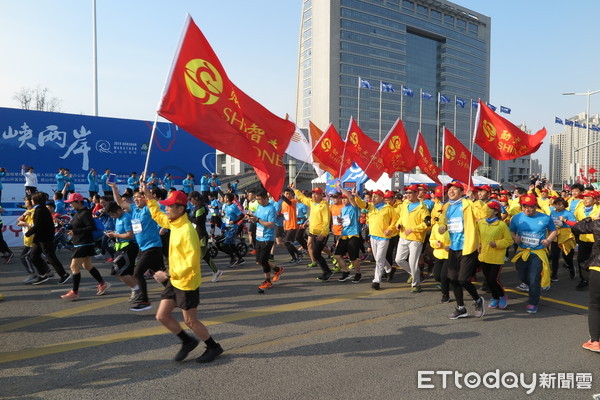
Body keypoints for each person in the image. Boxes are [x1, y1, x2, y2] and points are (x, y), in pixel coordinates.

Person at [141, 181, 223, 364]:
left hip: (186, 281)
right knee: (162, 316)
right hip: (175, 279)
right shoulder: (175, 223)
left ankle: (213, 347)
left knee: (190, 321)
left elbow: (191, 263)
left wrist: (167, 274)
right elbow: (157, 216)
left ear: (180, 209)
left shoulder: (187, 230)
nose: (167, 210)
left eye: (169, 207)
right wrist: (148, 196)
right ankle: (187, 341)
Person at [110, 181, 165, 311]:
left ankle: (145, 301)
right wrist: (114, 188)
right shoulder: (134, 210)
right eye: (134, 198)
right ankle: (176, 293)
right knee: (158, 274)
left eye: (138, 197)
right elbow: (120, 203)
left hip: (153, 246)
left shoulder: (149, 208)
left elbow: (153, 202)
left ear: (145, 198)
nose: (136, 200)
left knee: (138, 272)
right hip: (144, 247)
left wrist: (145, 190)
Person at [438, 181, 485, 319]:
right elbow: (442, 221)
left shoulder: (469, 204)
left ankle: (477, 300)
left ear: (462, 192)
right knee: (452, 278)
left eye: (454, 189)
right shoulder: (446, 206)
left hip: (467, 247)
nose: (451, 192)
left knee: (463, 279)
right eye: (449, 190)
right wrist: (442, 227)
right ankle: (461, 308)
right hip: (453, 247)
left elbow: (483, 214)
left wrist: (474, 200)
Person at [509, 194, 557, 314]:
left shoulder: (545, 218)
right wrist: (515, 238)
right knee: (522, 276)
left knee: (533, 278)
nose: (527, 209)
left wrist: (548, 240)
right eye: (524, 206)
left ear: (536, 206)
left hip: (537, 252)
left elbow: (554, 230)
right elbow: (511, 230)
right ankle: (531, 285)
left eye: (530, 207)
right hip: (522, 251)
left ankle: (533, 302)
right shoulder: (516, 217)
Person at [60, 193, 110, 300]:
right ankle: (102, 283)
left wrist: (75, 231)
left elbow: (90, 227)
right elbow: (78, 225)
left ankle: (75, 292)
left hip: (84, 243)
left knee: (74, 267)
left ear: (78, 202)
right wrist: (66, 225)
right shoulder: (79, 212)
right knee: (87, 266)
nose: (70, 205)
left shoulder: (85, 213)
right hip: (82, 242)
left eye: (71, 203)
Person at [353, 189, 398, 290]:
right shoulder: (370, 206)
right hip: (373, 235)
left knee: (379, 259)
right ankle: (390, 269)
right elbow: (361, 204)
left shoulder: (388, 208)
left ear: (382, 198)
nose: (373, 198)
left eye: (376, 196)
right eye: (372, 196)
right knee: (378, 257)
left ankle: (376, 281)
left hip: (384, 237)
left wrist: (390, 229)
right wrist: (356, 196)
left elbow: (396, 220)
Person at [26, 192, 71, 285]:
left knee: (50, 257)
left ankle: (64, 274)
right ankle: (43, 274)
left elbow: (38, 225)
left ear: (36, 200)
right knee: (33, 256)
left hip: (45, 238)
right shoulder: (40, 209)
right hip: (40, 238)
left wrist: (28, 233)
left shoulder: (41, 210)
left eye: (32, 199)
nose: (31, 201)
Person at [571, 211, 600, 353]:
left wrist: (592, 218)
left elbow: (577, 227)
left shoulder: (597, 224)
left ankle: (595, 341)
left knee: (595, 305)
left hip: (598, 268)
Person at [394, 185, 430, 293]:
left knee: (412, 262)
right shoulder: (405, 204)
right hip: (403, 237)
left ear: (416, 193)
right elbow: (401, 217)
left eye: (410, 192)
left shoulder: (423, 208)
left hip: (416, 238)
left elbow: (427, 224)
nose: (408, 194)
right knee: (399, 260)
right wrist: (398, 224)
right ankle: (414, 274)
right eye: (407, 192)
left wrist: (413, 229)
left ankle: (416, 284)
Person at [292, 185, 333, 281]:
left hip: (321, 233)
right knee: (312, 248)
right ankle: (326, 271)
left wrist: (323, 234)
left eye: (316, 194)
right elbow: (302, 198)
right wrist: (294, 189)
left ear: (321, 195)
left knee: (317, 253)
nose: (314, 196)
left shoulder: (324, 205)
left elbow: (327, 221)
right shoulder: (311, 202)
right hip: (312, 231)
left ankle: (327, 271)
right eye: (313, 194)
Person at [477, 201, 512, 309]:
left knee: (493, 279)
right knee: (487, 280)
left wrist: (497, 244)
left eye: (489, 208)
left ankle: (502, 296)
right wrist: (478, 244)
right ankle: (495, 297)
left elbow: (508, 240)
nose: (486, 209)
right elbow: (478, 236)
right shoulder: (481, 223)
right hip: (484, 255)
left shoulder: (501, 225)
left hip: (496, 257)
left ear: (496, 211)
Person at [246, 189, 283, 290]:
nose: (258, 201)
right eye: (257, 199)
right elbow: (257, 220)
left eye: (260, 199)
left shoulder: (271, 209)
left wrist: (258, 220)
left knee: (264, 260)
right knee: (259, 261)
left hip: (267, 238)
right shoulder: (259, 207)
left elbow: (270, 225)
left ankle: (268, 281)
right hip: (259, 237)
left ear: (266, 198)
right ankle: (277, 269)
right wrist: (252, 219)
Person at [188, 191, 223, 283]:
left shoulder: (200, 207)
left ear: (196, 198)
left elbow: (197, 221)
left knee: (198, 256)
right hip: (197, 234)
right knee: (205, 256)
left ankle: (193, 276)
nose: (190, 201)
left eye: (190, 199)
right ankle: (216, 271)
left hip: (201, 236)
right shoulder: (197, 207)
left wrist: (187, 217)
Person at [336, 186, 363, 283]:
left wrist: (340, 188)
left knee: (353, 257)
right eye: (342, 199)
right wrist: (340, 221)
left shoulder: (354, 206)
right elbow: (344, 222)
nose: (343, 200)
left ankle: (358, 273)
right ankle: (346, 272)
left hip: (353, 234)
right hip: (344, 234)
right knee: (337, 255)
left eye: (345, 198)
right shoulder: (342, 209)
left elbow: (351, 197)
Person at [573, 190, 599, 291]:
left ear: (595, 200)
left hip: (596, 240)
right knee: (581, 260)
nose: (585, 200)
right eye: (584, 198)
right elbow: (577, 223)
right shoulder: (579, 209)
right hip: (583, 239)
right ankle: (584, 279)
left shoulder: (599, 209)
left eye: (588, 198)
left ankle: (594, 280)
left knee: (595, 261)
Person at [549, 197, 576, 281]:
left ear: (564, 205)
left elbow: (574, 224)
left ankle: (571, 268)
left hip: (566, 237)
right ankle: (554, 275)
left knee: (567, 256)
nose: (558, 206)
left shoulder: (568, 213)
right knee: (554, 256)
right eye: (556, 204)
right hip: (555, 236)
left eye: (560, 205)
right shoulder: (552, 212)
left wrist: (565, 220)